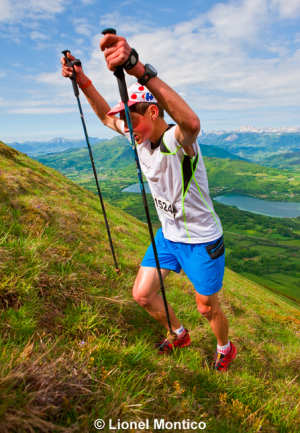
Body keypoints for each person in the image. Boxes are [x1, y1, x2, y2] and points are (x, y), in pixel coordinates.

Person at [61, 33, 237, 371]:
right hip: (169, 236)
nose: (127, 126)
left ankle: (225, 347)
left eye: (133, 118)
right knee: (142, 295)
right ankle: (179, 334)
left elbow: (192, 123)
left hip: (202, 241)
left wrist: (136, 68)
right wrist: (83, 81)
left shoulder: (177, 140)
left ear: (153, 112)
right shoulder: (138, 136)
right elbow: (103, 117)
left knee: (206, 307)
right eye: (125, 120)